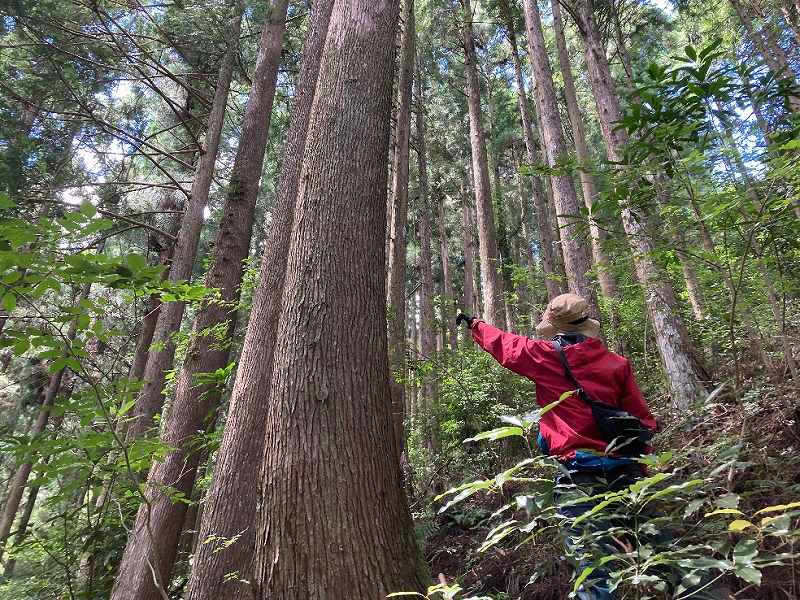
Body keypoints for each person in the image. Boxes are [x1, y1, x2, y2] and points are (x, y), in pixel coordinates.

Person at [456, 293, 657, 600]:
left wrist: (476, 325)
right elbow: (642, 421)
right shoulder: (616, 363)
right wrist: (645, 467)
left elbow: (507, 346)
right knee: (652, 549)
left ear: (555, 326)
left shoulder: (545, 356)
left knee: (591, 565)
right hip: (628, 470)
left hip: (579, 473)